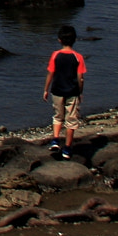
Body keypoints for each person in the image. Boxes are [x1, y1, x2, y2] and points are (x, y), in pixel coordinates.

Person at [41, 25, 87, 157]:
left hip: (57, 90)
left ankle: (55, 139)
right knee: (71, 120)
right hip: (72, 91)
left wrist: (46, 89)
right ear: (75, 40)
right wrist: (80, 92)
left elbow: (50, 73)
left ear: (59, 40)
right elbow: (81, 78)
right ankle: (67, 148)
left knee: (57, 116)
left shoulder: (55, 55)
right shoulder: (78, 57)